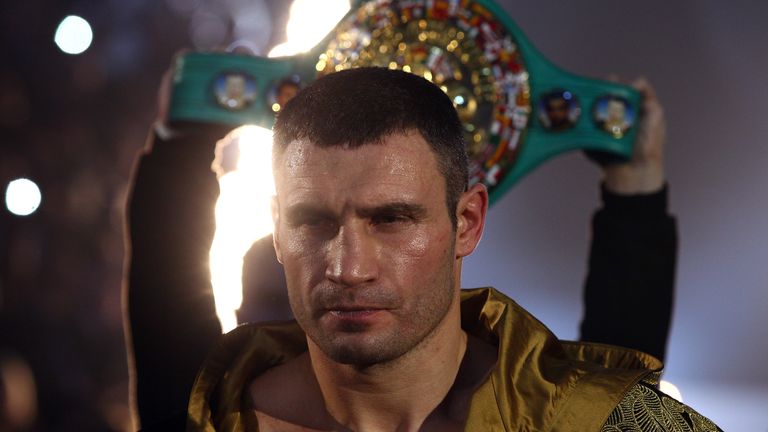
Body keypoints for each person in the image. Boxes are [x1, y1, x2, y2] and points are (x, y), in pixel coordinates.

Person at [151, 67, 715, 431]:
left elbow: (585, 404)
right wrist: (176, 147)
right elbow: (165, 315)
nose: (347, 267)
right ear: (276, 228)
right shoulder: (210, 413)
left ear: (466, 222)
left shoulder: (601, 419)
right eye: (312, 221)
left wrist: (637, 196)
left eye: (392, 219)